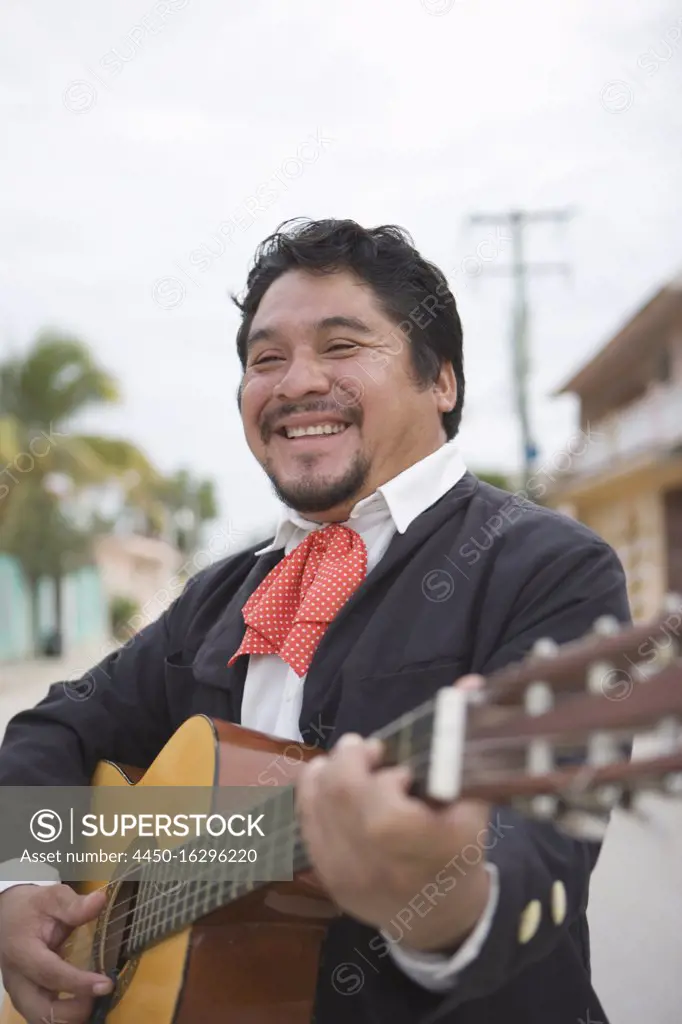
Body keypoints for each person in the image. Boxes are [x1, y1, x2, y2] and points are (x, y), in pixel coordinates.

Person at [0, 218, 630, 1024]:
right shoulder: (219, 594)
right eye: (267, 359)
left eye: (341, 346)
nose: (296, 382)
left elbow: (538, 856)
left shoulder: (548, 567)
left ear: (441, 380)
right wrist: (22, 880)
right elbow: (57, 726)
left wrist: (439, 893)